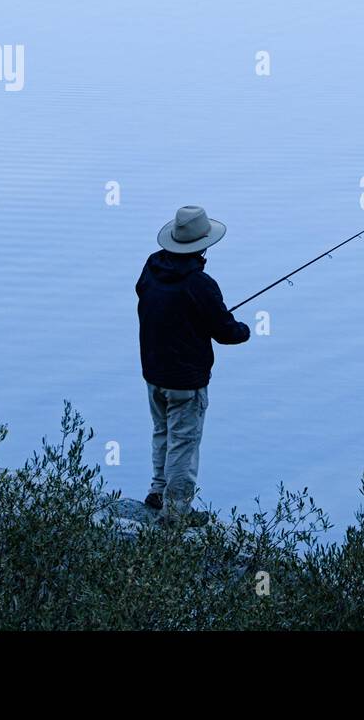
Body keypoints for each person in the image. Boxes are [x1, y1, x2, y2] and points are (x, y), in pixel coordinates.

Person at [136, 205, 250, 524]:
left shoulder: (151, 267)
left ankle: (157, 490)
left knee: (162, 432)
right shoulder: (200, 284)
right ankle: (175, 513)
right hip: (186, 382)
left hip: (153, 372)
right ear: (202, 246)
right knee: (184, 444)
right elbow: (227, 332)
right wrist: (243, 329)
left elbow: (159, 304)